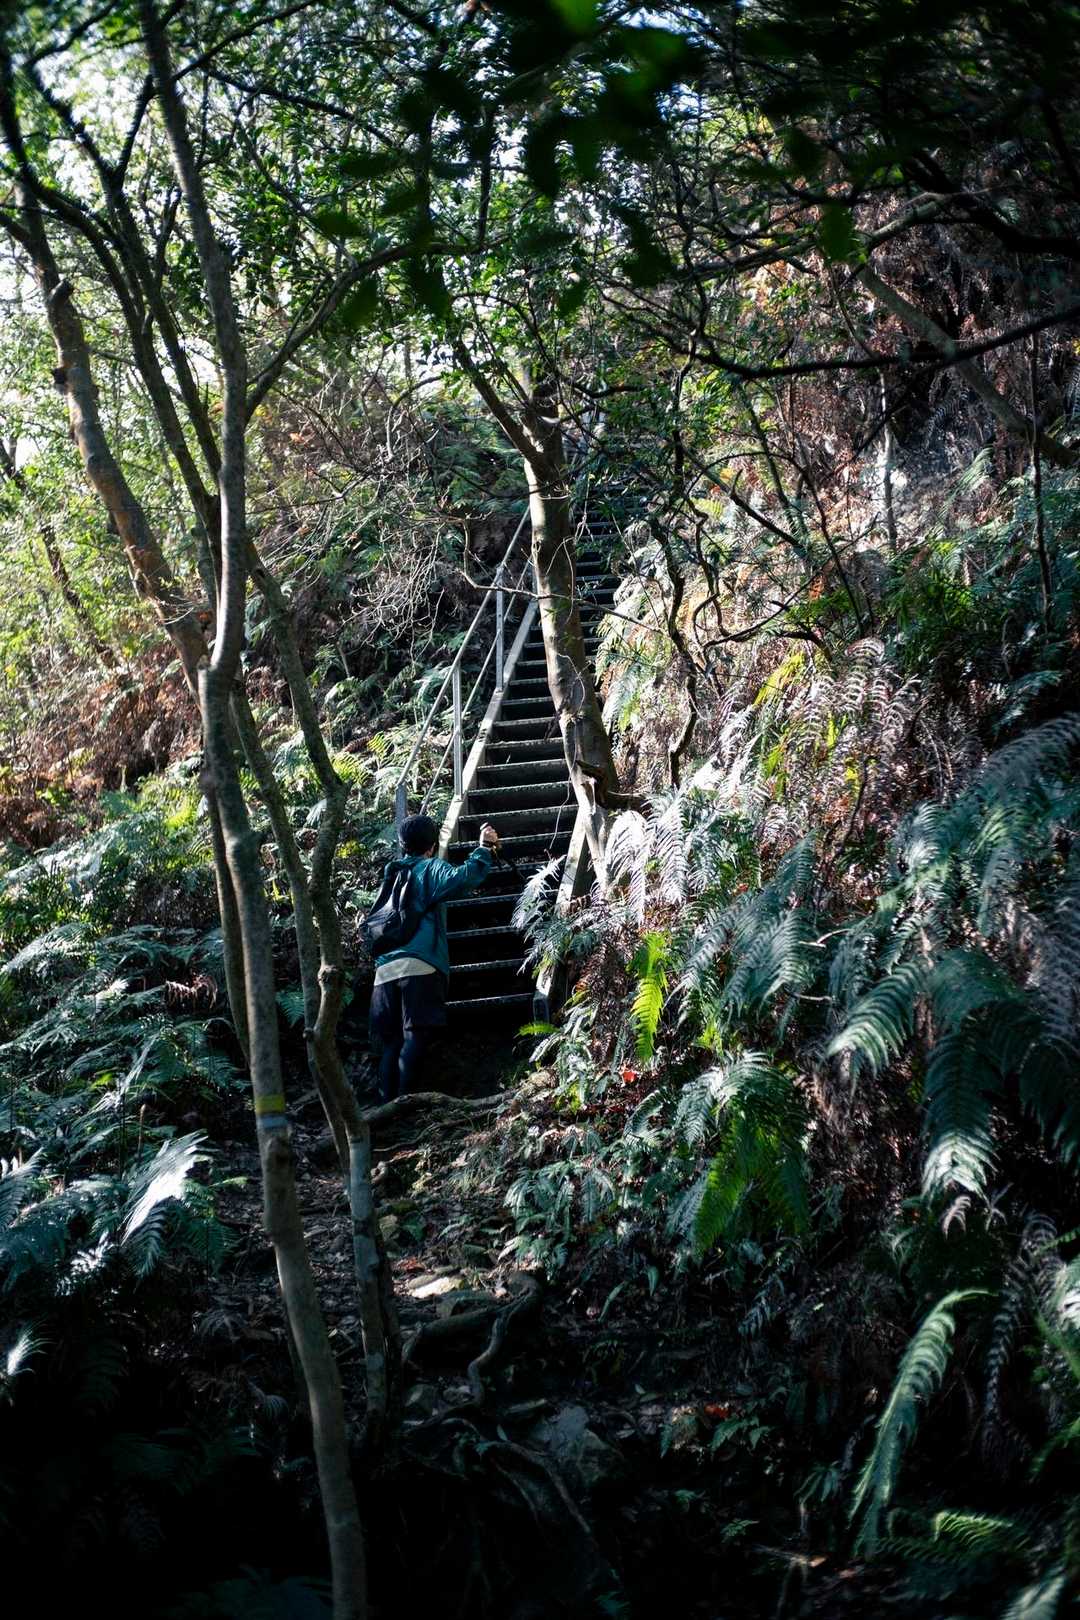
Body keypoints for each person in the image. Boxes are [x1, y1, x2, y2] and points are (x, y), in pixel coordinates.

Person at [369, 812, 500, 1103]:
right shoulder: (429, 868)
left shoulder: (391, 874)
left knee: (391, 1044)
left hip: (384, 969)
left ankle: (385, 1108)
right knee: (415, 1037)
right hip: (420, 965)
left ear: (402, 844)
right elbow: (465, 878)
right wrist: (484, 848)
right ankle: (405, 1106)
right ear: (432, 845)